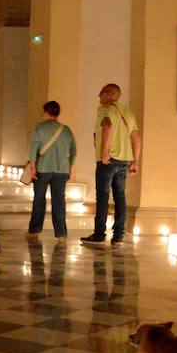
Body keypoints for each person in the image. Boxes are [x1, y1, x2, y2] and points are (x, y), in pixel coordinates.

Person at [80, 82, 141, 247]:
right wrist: (135, 160)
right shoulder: (127, 112)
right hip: (124, 161)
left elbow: (107, 126)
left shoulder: (105, 109)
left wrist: (104, 152)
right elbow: (136, 137)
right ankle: (119, 235)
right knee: (120, 196)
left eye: (101, 93)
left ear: (108, 94)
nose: (99, 97)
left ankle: (99, 234)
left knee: (103, 196)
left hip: (108, 160)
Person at [25, 100, 77, 240]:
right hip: (61, 170)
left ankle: (34, 231)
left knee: (39, 199)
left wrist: (33, 166)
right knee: (59, 201)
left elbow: (33, 149)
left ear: (46, 112)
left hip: (42, 169)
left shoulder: (39, 128)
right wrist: (69, 167)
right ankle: (61, 234)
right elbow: (73, 150)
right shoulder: (66, 130)